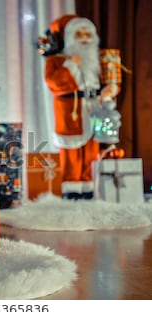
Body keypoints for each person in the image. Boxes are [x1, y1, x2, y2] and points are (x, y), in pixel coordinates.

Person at [41, 15, 119, 200]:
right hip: (71, 113)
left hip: (93, 110)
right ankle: (72, 194)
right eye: (79, 34)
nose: (84, 38)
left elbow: (108, 80)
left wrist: (110, 90)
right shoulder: (57, 61)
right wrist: (71, 65)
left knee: (91, 155)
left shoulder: (97, 60)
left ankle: (89, 192)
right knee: (72, 156)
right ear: (69, 37)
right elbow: (55, 84)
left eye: (87, 33)